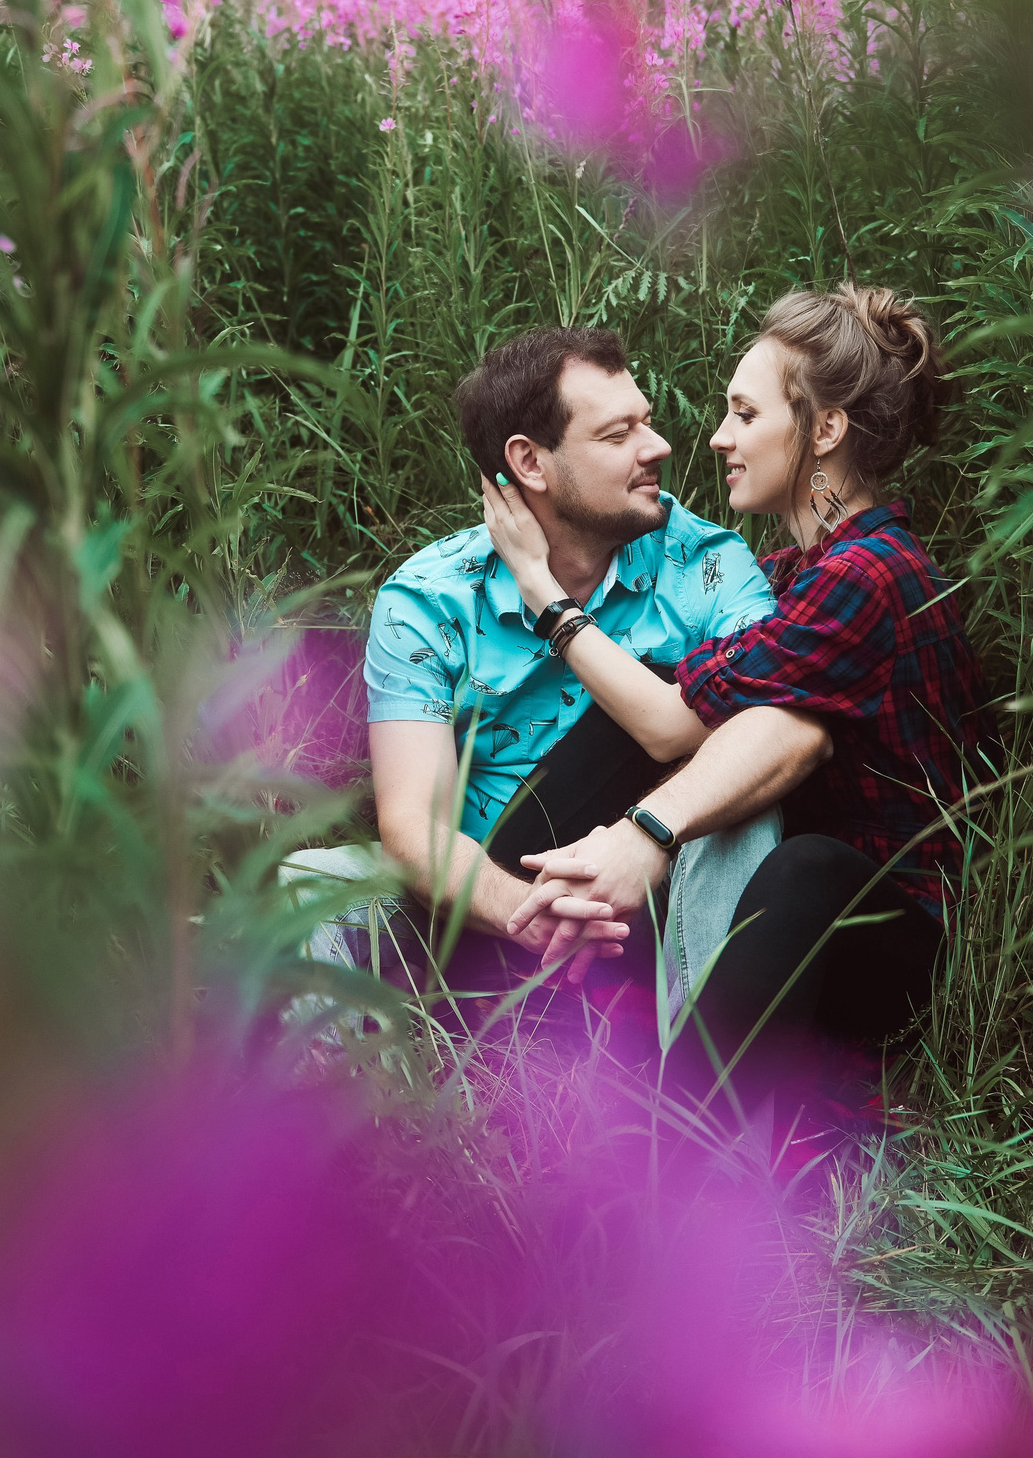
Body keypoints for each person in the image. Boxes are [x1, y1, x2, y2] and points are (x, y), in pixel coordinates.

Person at [482, 284, 989, 1079]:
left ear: (825, 429)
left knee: (804, 862)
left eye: (745, 415)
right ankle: (471, 951)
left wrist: (545, 597)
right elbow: (678, 704)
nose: (718, 438)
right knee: (667, 712)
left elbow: (668, 722)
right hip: (768, 928)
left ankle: (682, 1142)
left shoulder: (870, 576)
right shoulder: (792, 573)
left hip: (883, 945)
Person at [356, 326, 833, 1014]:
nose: (658, 446)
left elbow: (789, 729)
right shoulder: (429, 599)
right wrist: (539, 917)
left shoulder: (709, 565)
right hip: (494, 897)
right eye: (618, 435)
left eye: (647, 421)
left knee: (747, 801)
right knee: (302, 889)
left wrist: (646, 840)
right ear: (530, 462)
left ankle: (698, 1077)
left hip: (661, 884)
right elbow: (413, 826)